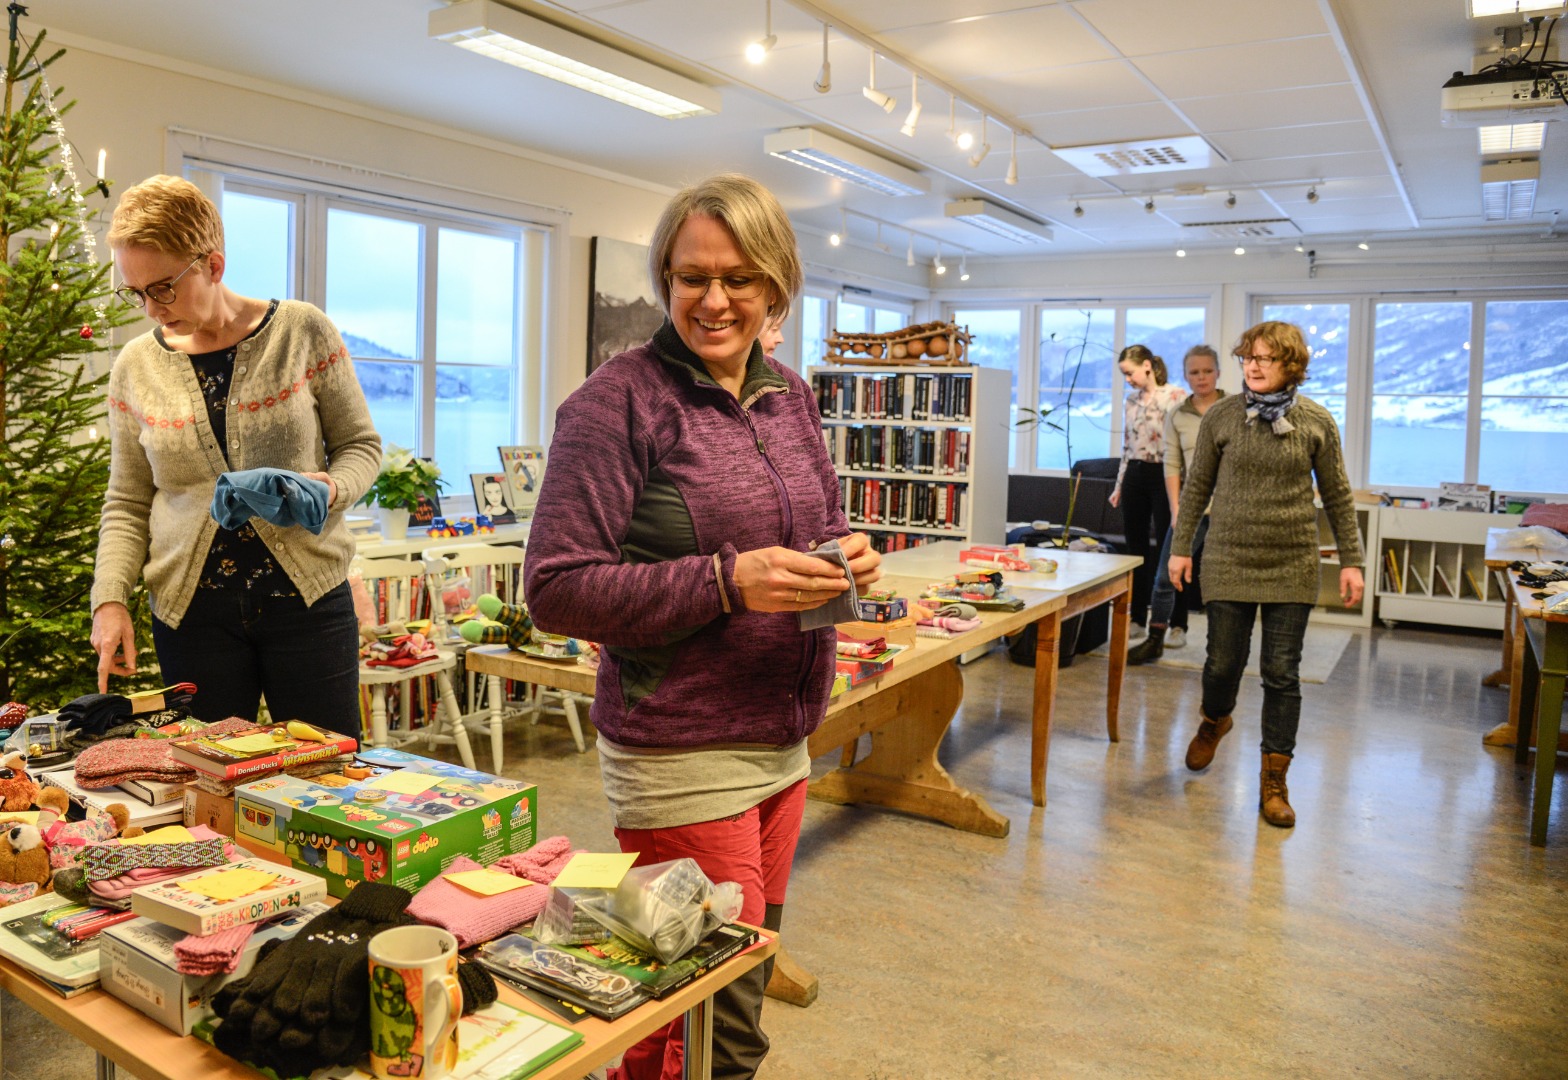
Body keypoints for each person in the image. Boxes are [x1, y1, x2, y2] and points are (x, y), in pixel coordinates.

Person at [523, 173, 881, 1080]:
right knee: (720, 1024)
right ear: (666, 279)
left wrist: (845, 556)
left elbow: (817, 524)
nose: (714, 300)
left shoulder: (789, 395)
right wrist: (727, 581)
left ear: (776, 284)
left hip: (783, 737)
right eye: (692, 278)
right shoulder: (615, 403)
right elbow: (556, 590)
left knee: (708, 994)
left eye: (739, 278)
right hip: (680, 747)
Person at [90, 175, 380, 727]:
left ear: (213, 265)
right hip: (190, 615)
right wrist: (110, 598)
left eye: (163, 288)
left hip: (310, 603)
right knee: (205, 773)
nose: (150, 308)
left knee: (326, 767)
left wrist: (332, 488)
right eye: (136, 292)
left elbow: (360, 447)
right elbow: (127, 500)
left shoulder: (302, 331)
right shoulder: (135, 366)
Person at [1168, 321, 1364, 828]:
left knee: (1281, 673)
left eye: (1265, 358)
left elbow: (1338, 495)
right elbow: (1196, 486)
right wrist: (1181, 547)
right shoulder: (1222, 417)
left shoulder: (1316, 421)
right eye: (1247, 357)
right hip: (1228, 556)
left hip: (1292, 561)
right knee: (1222, 664)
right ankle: (1215, 720)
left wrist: (1352, 560)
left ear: (1290, 365)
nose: (1252, 367)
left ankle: (1274, 781)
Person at [1129, 345, 1225, 664]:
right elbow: (1172, 464)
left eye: (1207, 371)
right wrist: (1176, 510)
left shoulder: (1234, 409)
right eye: (1194, 372)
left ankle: (1222, 649)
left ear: (1218, 372)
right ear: (1186, 376)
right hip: (1193, 508)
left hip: (1231, 510)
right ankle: (1155, 639)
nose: (1201, 377)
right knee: (1165, 575)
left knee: (1223, 583)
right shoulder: (1178, 415)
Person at [1109, 343, 1186, 641]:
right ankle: (1138, 618)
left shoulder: (1176, 396)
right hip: (1135, 475)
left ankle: (1177, 623)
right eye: (1124, 375)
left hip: (1166, 475)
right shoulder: (1131, 400)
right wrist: (1119, 485)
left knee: (1172, 548)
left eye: (1130, 373)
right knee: (1136, 550)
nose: (1128, 379)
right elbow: (1127, 446)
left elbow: (1183, 445)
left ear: (1147, 366)